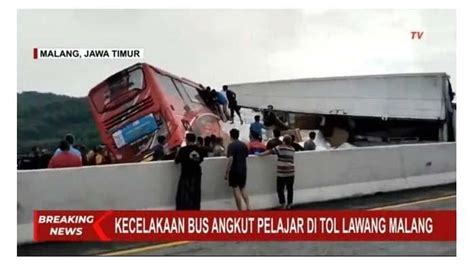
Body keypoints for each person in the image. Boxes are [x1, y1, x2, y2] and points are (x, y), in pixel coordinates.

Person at [258, 135, 296, 209]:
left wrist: (260, 154)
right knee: (290, 188)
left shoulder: (280, 147)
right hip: (291, 171)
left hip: (282, 172)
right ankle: (289, 204)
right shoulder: (292, 149)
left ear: (284, 141)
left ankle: (283, 204)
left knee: (280, 188)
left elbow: (270, 151)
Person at [174, 133, 206, 210]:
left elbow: (177, 161)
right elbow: (201, 160)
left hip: (186, 173)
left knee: (183, 193)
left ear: (187, 140)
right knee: (196, 192)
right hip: (197, 173)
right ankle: (195, 208)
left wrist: (178, 152)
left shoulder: (183, 150)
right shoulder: (200, 150)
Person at [225, 128, 250, 210]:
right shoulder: (244, 145)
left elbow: (230, 159)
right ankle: (248, 206)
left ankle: (240, 209)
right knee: (243, 188)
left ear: (231, 136)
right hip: (243, 169)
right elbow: (246, 156)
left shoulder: (231, 146)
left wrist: (227, 172)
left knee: (236, 189)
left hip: (234, 170)